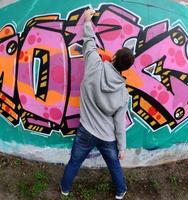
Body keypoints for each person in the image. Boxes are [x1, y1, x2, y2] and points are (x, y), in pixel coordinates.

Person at [60, 8, 134, 200]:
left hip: (86, 130)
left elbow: (90, 44)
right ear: (126, 69)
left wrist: (86, 21)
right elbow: (120, 124)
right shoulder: (123, 94)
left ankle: (65, 189)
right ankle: (120, 191)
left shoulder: (94, 66)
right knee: (114, 165)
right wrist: (123, 148)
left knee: (74, 161)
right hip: (107, 136)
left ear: (113, 57)